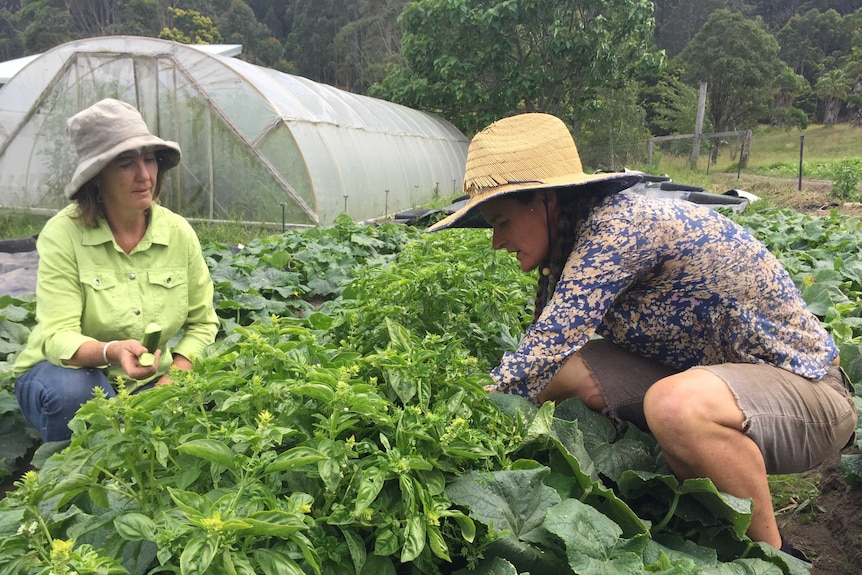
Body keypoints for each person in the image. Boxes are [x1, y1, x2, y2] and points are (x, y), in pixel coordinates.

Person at [427, 113, 857, 557]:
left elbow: (543, 347)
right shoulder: (571, 238)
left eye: (501, 221)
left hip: (809, 396)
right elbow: (544, 357)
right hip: (718, 380)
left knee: (673, 407)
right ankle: (657, 479)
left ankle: (773, 555)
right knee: (564, 374)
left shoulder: (620, 228)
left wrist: (455, 423)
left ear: (544, 201)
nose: (496, 241)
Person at [14, 98, 219, 442]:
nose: (144, 175)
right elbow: (56, 335)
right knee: (76, 392)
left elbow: (203, 323)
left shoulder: (178, 232)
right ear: (97, 178)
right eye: (126, 164)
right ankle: (75, 478)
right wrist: (111, 351)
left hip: (151, 381)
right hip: (64, 374)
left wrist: (171, 383)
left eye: (149, 159)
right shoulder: (64, 235)